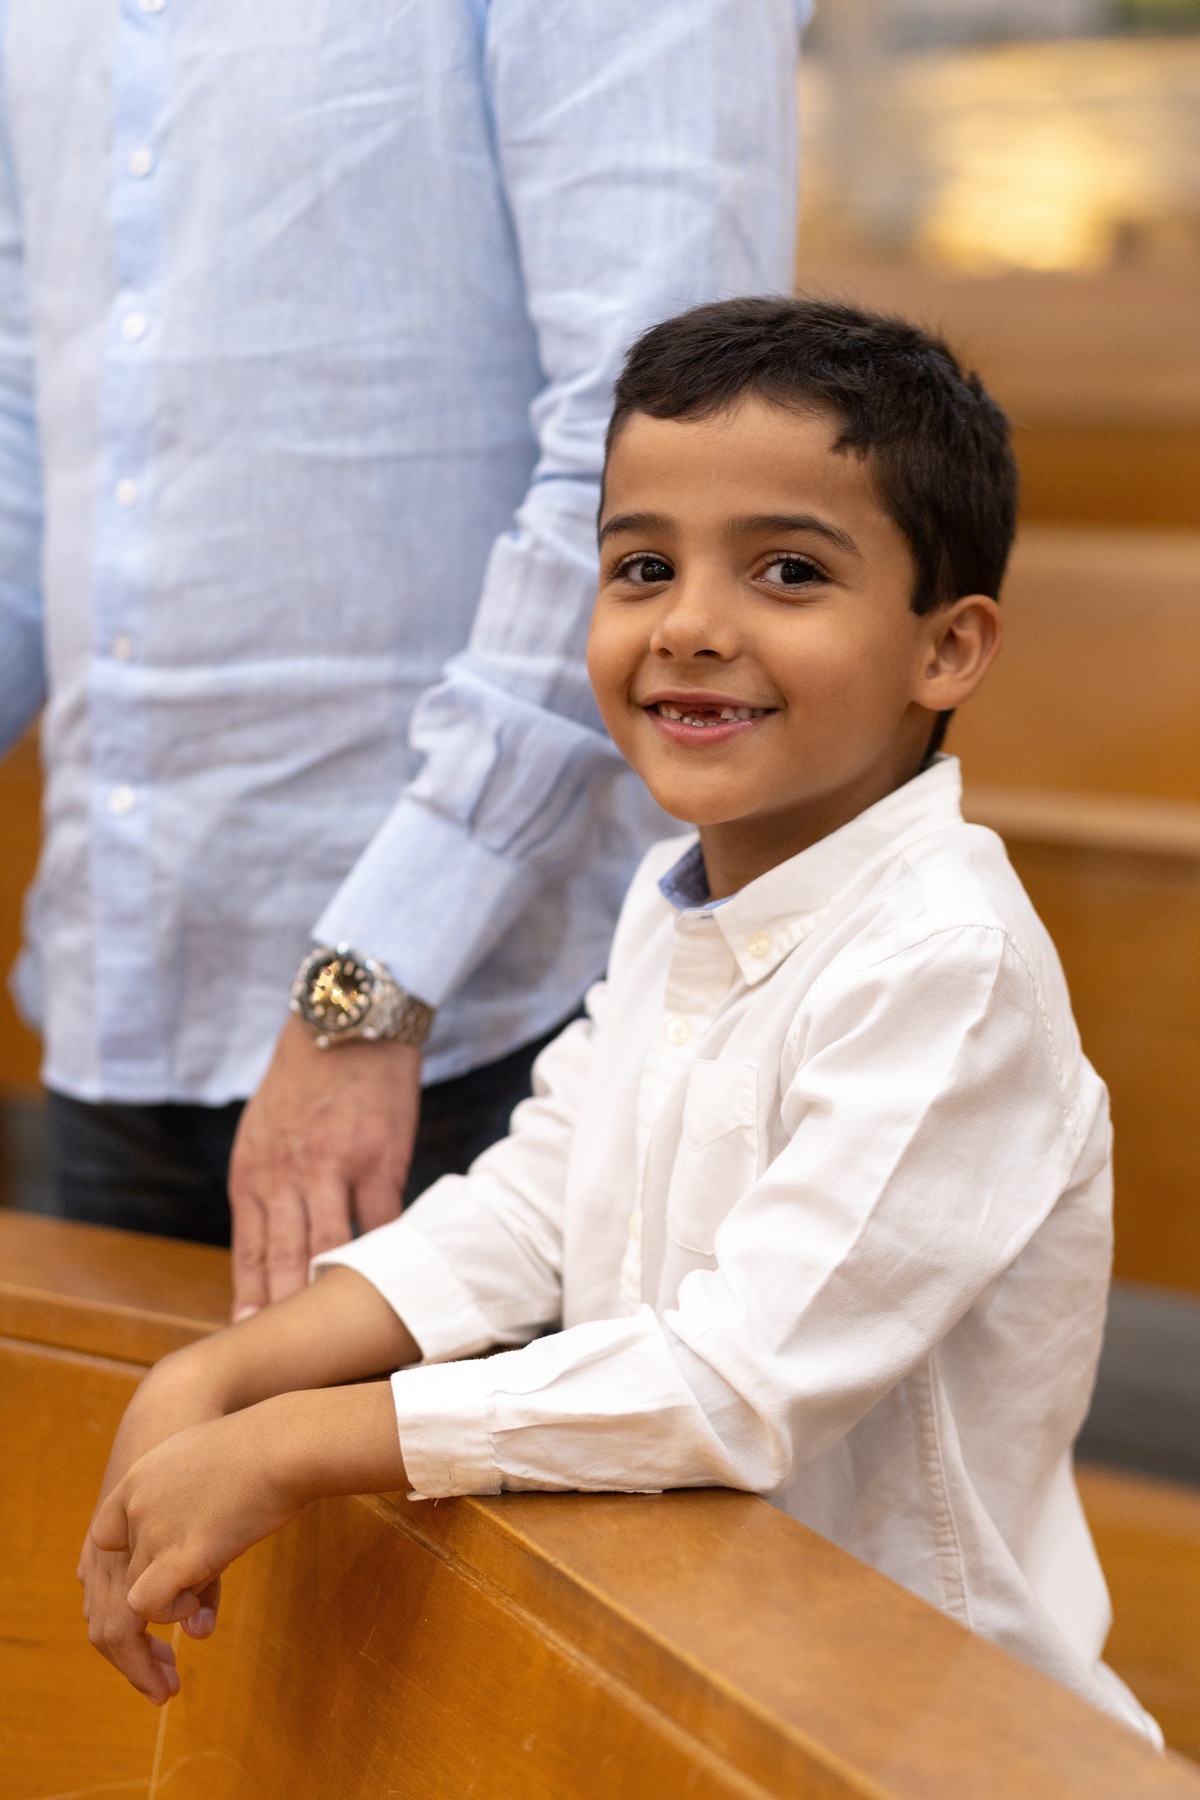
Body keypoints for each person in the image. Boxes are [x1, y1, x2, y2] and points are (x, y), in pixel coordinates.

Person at [78, 298, 1159, 1743]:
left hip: (914, 1722)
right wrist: (229, 1367)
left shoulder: (944, 965)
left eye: (788, 571)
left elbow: (733, 1378)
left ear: (948, 651)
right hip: (686, 1647)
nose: (691, 626)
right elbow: (535, 1205)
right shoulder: (685, 900)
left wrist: (304, 1442)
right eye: (641, 566)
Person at [0, 1, 805, 1318]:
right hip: (127, 969)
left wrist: (370, 983)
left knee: (470, 1526)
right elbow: (26, 433)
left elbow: (654, 457)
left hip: (488, 1012)